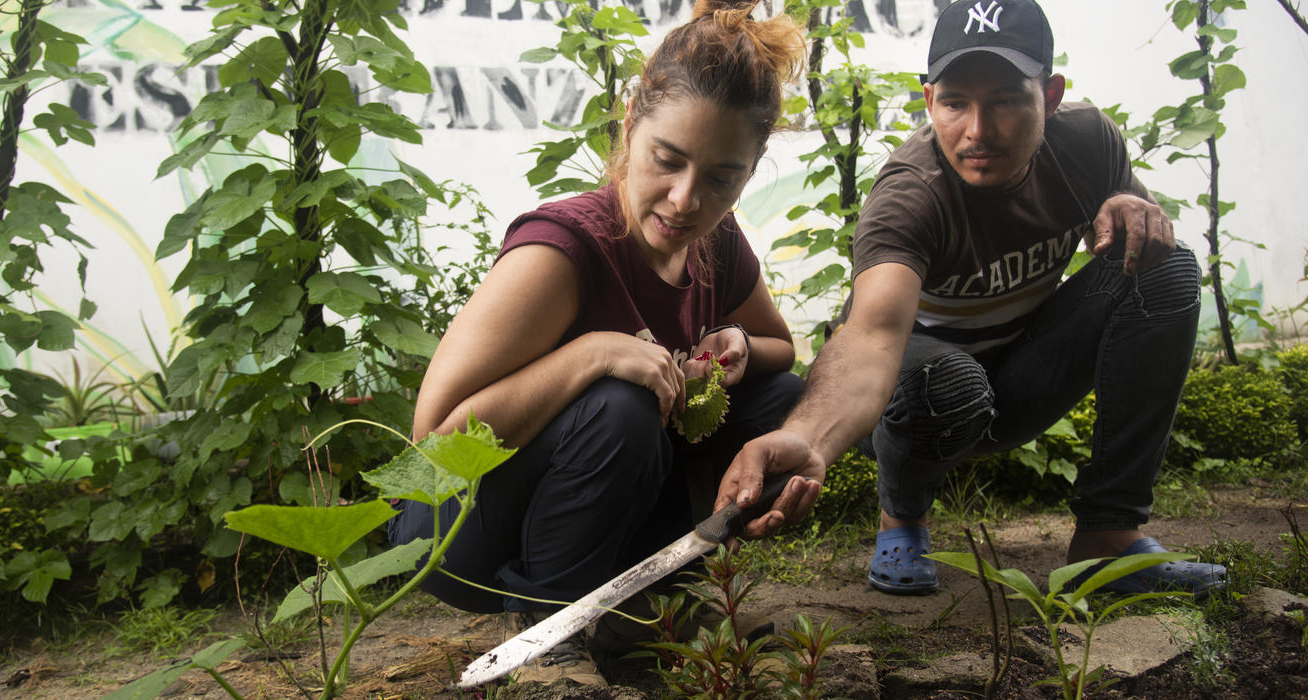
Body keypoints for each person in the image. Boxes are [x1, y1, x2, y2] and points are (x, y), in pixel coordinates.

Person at [717, 0, 1227, 596]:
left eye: (1007, 100)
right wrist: (806, 440)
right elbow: (873, 335)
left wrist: (1129, 211)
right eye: (956, 102)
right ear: (930, 100)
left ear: (1052, 95)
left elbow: (1124, 260)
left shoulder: (1087, 143)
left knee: (1165, 270)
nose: (978, 131)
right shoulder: (911, 195)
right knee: (949, 382)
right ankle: (902, 516)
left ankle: (1108, 536)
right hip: (914, 392)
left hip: (1020, 372)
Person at [388, 0, 822, 686]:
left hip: (600, 515)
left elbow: (780, 348)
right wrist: (589, 355)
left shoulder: (717, 243)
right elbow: (432, 446)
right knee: (619, 402)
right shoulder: (564, 250)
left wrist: (737, 341)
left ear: (753, 165)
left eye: (721, 177)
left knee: (779, 403)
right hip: (456, 533)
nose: (685, 200)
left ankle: (649, 602)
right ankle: (546, 635)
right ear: (631, 124)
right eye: (667, 160)